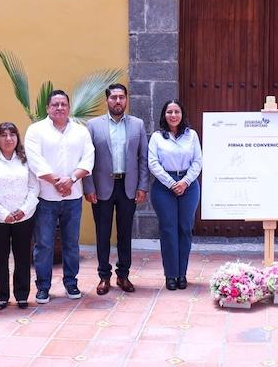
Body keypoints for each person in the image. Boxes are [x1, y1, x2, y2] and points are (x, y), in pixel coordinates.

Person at [24, 90, 94, 304]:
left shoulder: (81, 131)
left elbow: (88, 159)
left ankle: (71, 283)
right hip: (45, 198)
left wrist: (71, 180)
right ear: (48, 108)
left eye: (63, 104)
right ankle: (43, 287)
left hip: (73, 198)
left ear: (69, 107)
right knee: (44, 244)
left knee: (71, 243)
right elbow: (35, 161)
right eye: (55, 104)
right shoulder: (36, 130)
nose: (60, 108)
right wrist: (57, 182)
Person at [83, 83, 149, 295]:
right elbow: (86, 159)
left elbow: (143, 158)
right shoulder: (93, 125)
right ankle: (104, 276)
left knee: (125, 233)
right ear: (107, 100)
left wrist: (142, 186)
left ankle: (123, 275)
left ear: (126, 99)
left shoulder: (137, 125)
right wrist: (88, 186)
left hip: (128, 186)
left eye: (121, 97)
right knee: (102, 233)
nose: (118, 101)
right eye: (113, 97)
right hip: (101, 187)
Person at [0, 122, 40, 310]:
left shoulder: (25, 160)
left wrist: (24, 210)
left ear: (17, 138)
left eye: (12, 135)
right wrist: (3, 214)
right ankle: (2, 295)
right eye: (3, 135)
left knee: (23, 257)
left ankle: (22, 295)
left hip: (24, 218)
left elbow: (34, 187)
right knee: (0, 258)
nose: (8, 139)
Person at [148, 99, 202, 291]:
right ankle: (171, 275)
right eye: (169, 112)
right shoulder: (157, 137)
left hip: (189, 185)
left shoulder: (191, 135)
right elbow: (153, 163)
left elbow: (197, 161)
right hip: (164, 187)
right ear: (164, 115)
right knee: (168, 230)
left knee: (185, 229)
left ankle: (182, 274)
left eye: (176, 111)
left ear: (182, 114)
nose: (173, 115)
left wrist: (185, 182)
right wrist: (171, 183)